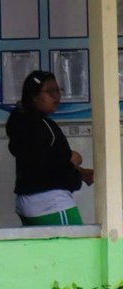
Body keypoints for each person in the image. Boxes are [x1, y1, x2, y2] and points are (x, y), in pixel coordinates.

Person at [6, 70, 92, 226]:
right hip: (50, 203)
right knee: (77, 242)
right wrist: (71, 160)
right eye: (50, 92)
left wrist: (80, 172)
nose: (57, 97)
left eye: (58, 91)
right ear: (34, 96)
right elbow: (47, 165)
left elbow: (44, 161)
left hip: (27, 202)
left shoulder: (19, 120)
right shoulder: (41, 126)